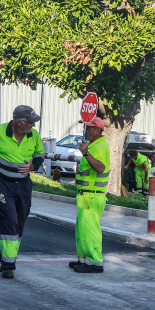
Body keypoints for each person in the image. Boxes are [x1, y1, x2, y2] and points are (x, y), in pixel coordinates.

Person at [0, 105, 44, 279]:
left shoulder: (34, 135)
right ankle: (8, 264)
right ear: (20, 123)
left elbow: (40, 155)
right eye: (30, 123)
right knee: (9, 218)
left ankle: (5, 252)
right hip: (2, 184)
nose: (33, 127)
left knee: (20, 220)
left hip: (24, 185)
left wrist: (33, 166)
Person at [69, 116, 110, 274]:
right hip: (86, 195)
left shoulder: (100, 147)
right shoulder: (94, 146)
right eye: (85, 127)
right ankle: (84, 260)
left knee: (90, 230)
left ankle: (95, 263)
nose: (85, 131)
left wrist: (86, 154)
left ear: (98, 130)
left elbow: (100, 168)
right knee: (82, 230)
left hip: (92, 196)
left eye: (88, 128)